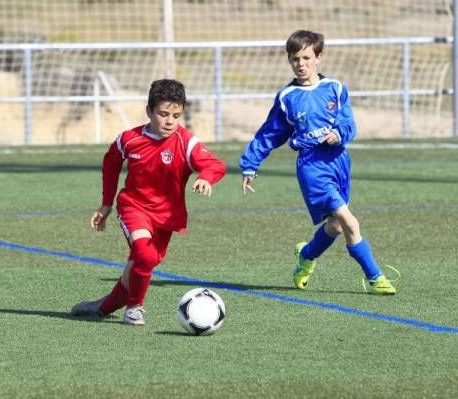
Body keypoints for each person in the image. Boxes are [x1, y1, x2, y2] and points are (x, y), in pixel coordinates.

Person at [239, 30, 396, 295]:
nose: (300, 64)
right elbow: (270, 133)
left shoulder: (335, 88)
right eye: (294, 59)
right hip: (312, 166)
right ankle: (375, 278)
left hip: (339, 161)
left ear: (319, 58)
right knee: (349, 221)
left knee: (334, 225)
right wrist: (250, 163)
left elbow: (348, 123)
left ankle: (307, 255)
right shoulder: (287, 97)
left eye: (306, 57)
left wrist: (340, 134)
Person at [71, 79, 227, 325]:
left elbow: (214, 165)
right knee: (144, 254)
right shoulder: (129, 139)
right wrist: (106, 203)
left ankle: (102, 307)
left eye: (176, 115)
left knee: (142, 264)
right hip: (134, 206)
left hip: (167, 217)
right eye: (163, 114)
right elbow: (111, 162)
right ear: (149, 112)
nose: (169, 121)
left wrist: (206, 178)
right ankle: (135, 308)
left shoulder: (186, 142)